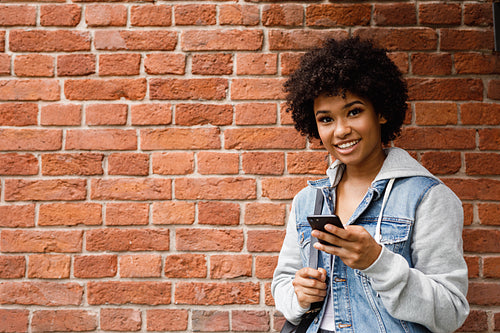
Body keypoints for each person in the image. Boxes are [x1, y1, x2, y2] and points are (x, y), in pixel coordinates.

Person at [271, 37, 469, 333]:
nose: (341, 131)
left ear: (381, 112)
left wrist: (378, 261)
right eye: (326, 119)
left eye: (354, 112)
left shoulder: (428, 198)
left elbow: (451, 310)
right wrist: (298, 296)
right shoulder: (308, 200)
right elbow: (283, 283)